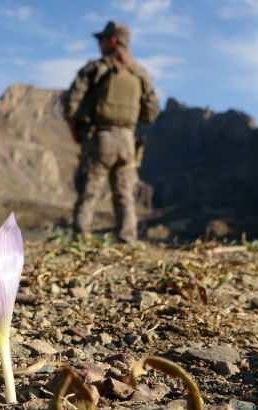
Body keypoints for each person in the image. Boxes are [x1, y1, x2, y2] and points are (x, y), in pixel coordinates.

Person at [62, 21, 160, 243]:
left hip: (100, 138)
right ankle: (127, 240)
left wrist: (76, 130)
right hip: (128, 141)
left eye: (102, 39)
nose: (99, 44)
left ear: (113, 40)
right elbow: (151, 112)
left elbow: (71, 104)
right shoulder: (141, 74)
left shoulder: (96, 68)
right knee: (124, 194)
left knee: (89, 191)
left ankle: (80, 238)